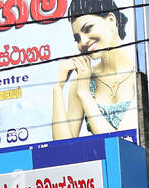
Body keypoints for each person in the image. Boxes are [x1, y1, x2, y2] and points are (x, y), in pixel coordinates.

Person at [52, 0, 136, 141]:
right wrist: (57, 88)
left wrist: (85, 93)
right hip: (99, 163)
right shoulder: (83, 80)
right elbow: (63, 148)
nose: (83, 42)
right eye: (77, 38)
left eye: (88, 28)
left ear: (110, 20)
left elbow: (121, 143)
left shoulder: (140, 73)